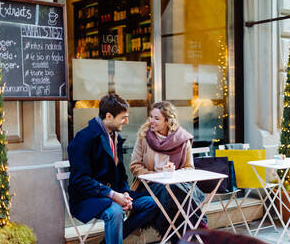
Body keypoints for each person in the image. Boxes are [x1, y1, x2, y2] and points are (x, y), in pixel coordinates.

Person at [68, 93, 158, 244]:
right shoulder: (84, 138)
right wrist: (114, 196)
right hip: (88, 198)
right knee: (115, 211)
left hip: (113, 194)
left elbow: (120, 175)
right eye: (123, 117)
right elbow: (80, 180)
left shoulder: (114, 136)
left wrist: (124, 194)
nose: (127, 121)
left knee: (151, 203)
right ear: (109, 116)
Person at [130, 101, 207, 243]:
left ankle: (176, 238)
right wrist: (155, 176)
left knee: (171, 190)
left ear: (167, 121)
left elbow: (189, 168)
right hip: (150, 186)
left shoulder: (182, 140)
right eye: (151, 117)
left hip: (176, 185)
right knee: (168, 190)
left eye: (156, 118)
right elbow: (135, 166)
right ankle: (198, 224)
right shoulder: (144, 136)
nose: (151, 121)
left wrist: (173, 173)